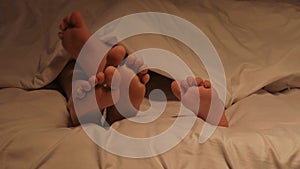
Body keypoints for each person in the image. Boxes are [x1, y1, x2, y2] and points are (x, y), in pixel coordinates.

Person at [58, 11, 228, 127]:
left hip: (83, 59)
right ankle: (117, 101)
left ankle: (86, 97)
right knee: (91, 78)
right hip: (121, 57)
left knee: (70, 75)